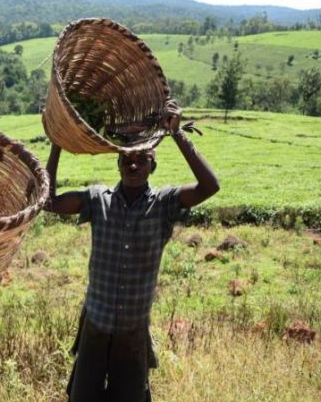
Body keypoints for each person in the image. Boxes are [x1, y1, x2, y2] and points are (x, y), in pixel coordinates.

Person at [45, 105, 220, 402]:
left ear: (153, 166)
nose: (134, 165)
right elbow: (48, 202)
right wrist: (57, 144)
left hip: (133, 329)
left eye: (143, 159)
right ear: (118, 164)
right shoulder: (97, 199)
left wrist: (177, 133)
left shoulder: (165, 204)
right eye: (127, 159)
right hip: (95, 326)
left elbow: (209, 186)